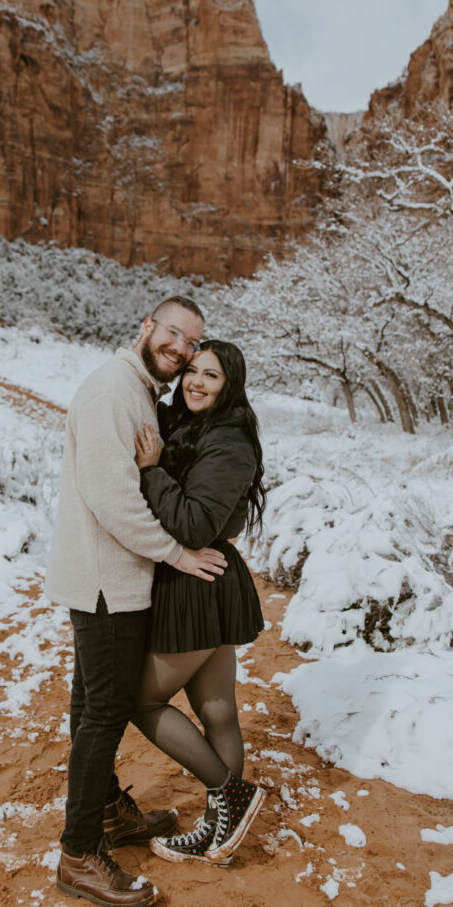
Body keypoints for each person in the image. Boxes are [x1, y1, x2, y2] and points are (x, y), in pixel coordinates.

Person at [43, 297, 228, 907]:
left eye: (192, 344)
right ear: (146, 327)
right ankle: (78, 854)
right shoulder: (113, 391)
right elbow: (113, 499)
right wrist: (176, 554)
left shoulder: (136, 387)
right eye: (173, 334)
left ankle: (106, 813)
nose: (181, 349)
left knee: (90, 704)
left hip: (106, 578)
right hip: (108, 584)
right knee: (106, 712)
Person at [131, 339, 267, 865]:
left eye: (211, 376)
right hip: (203, 581)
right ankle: (221, 830)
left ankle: (230, 793)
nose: (197, 382)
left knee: (139, 700)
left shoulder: (230, 442)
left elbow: (192, 523)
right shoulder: (195, 425)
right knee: (218, 710)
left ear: (229, 385)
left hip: (198, 584)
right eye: (191, 371)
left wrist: (151, 470)